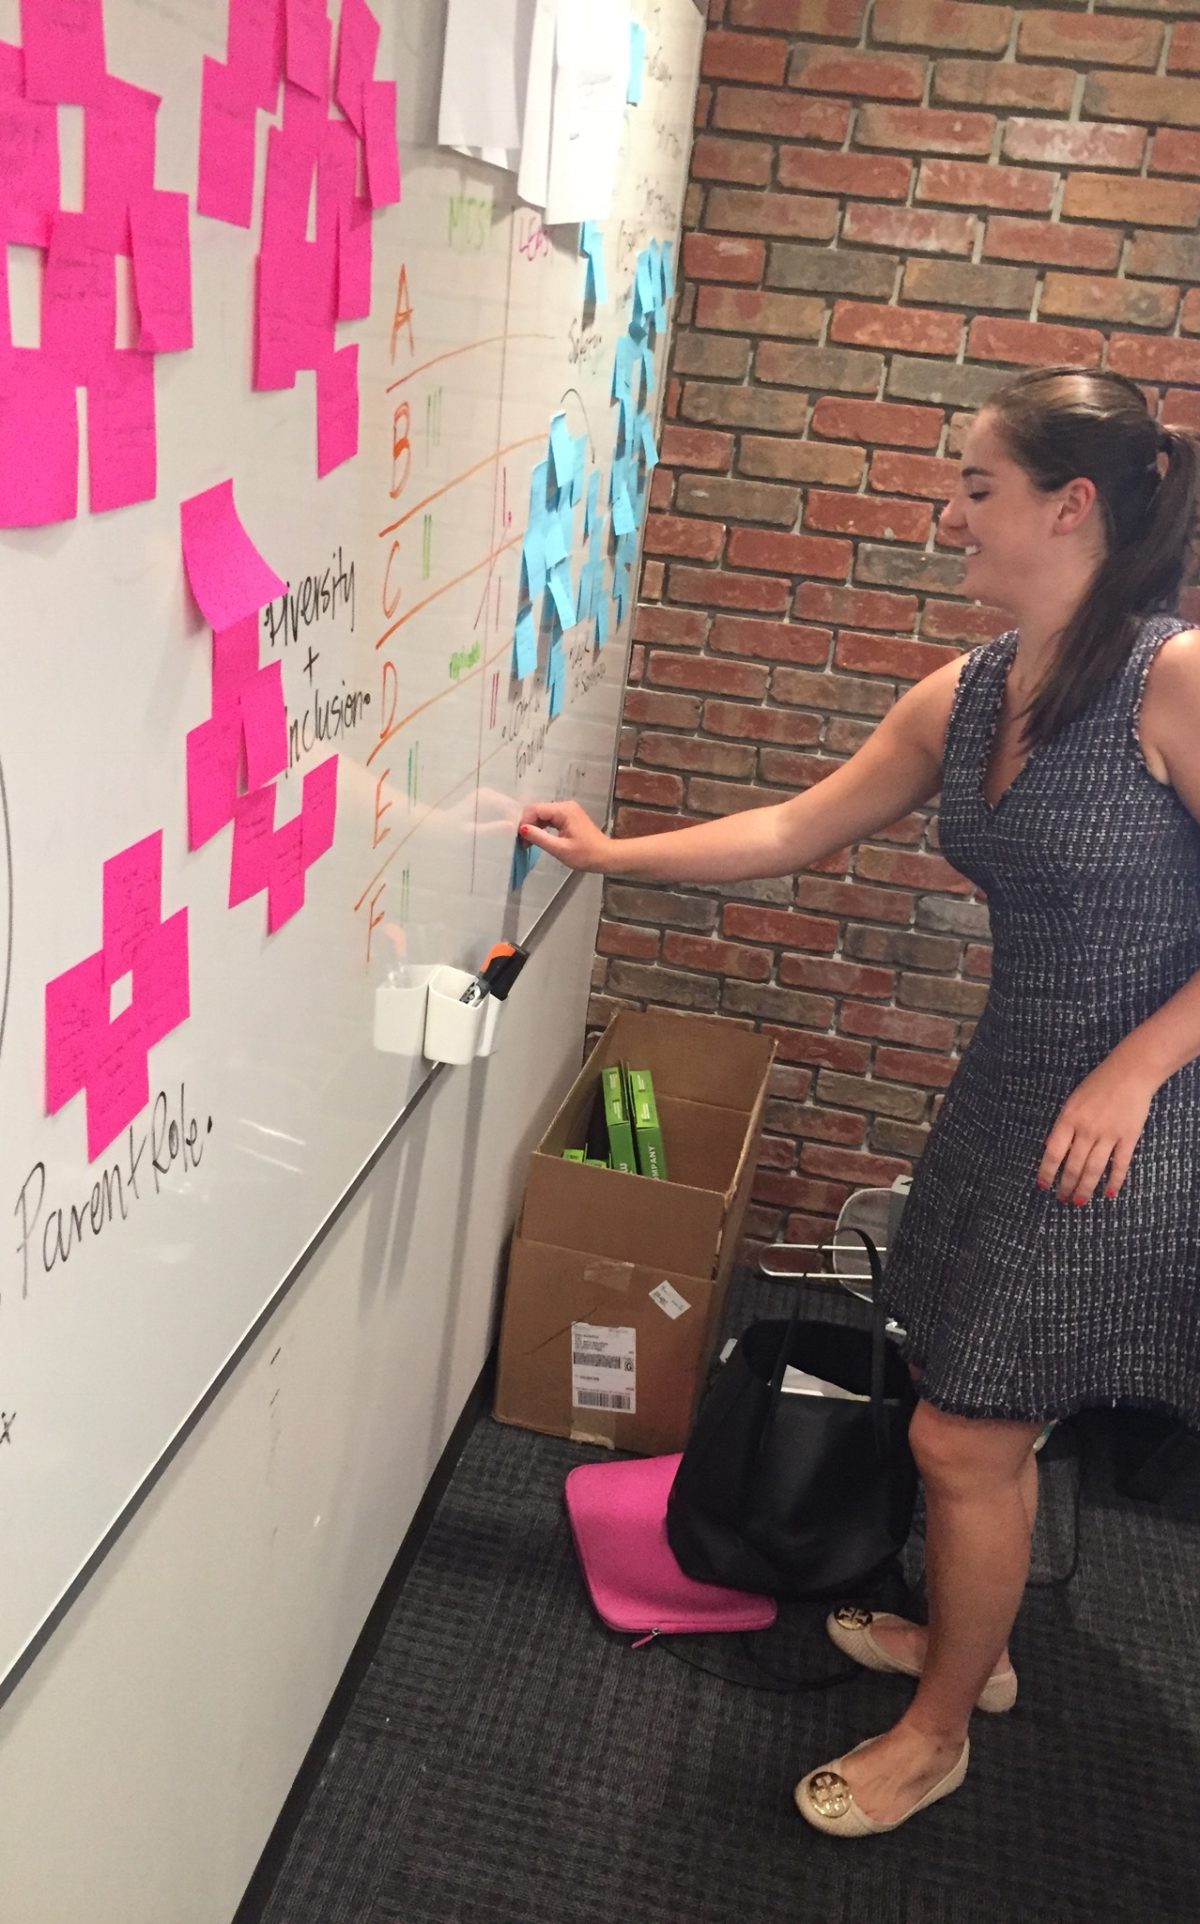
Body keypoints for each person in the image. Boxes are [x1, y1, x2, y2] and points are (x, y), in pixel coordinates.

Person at [518, 366, 1200, 1837]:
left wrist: (1137, 1067)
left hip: (1142, 1115)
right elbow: (792, 825)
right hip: (1016, 1086)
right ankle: (978, 1631)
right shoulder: (971, 693)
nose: (949, 512)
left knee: (966, 1434)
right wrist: (612, 857)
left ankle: (940, 1725)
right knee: (965, 1383)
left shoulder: (1175, 677)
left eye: (975, 486)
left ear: (1068, 505)